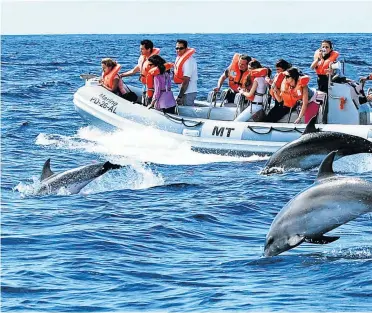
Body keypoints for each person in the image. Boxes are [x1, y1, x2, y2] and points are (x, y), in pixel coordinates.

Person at [120, 39, 161, 105]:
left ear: (148, 49)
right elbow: (134, 71)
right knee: (144, 100)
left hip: (152, 87)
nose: (140, 50)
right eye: (140, 49)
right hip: (145, 85)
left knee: (148, 102)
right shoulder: (143, 59)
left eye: (142, 49)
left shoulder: (155, 61)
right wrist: (122, 75)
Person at [173, 39, 198, 106]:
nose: (178, 50)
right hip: (184, 91)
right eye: (177, 48)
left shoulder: (188, 62)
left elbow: (186, 81)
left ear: (186, 49)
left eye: (181, 48)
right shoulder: (180, 58)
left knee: (188, 112)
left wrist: (180, 96)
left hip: (188, 92)